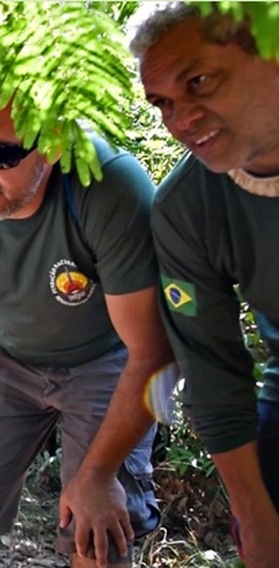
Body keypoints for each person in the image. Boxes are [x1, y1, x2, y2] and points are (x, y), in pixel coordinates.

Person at [0, 72, 174, 567]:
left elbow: (154, 353)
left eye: (2, 153)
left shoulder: (108, 186)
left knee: (97, 531)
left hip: (108, 364)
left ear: (51, 145)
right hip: (8, 359)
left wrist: (99, 474)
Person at [130, 5, 279, 566]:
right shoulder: (187, 208)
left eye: (198, 81)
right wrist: (256, 517)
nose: (180, 117)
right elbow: (213, 373)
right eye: (162, 102)